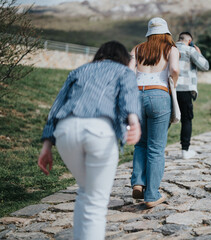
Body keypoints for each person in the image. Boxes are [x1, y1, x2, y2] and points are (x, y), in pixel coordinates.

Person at [37, 41, 141, 240]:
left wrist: (46, 146)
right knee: (96, 201)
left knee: (85, 192)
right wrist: (134, 120)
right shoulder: (123, 71)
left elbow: (56, 107)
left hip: (66, 131)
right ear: (123, 58)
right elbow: (129, 95)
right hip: (99, 131)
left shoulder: (80, 70)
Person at [128, 17, 179, 208]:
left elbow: (127, 71)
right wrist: (173, 82)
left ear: (148, 33)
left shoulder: (138, 49)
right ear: (166, 33)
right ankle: (151, 195)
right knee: (156, 147)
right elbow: (173, 69)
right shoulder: (171, 49)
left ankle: (138, 183)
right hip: (159, 95)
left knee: (140, 143)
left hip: (136, 95)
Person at [176, 32, 209, 159]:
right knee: (186, 119)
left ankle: (157, 148)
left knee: (165, 120)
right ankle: (185, 150)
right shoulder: (190, 50)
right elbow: (205, 66)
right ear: (189, 41)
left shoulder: (168, 49)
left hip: (169, 89)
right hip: (185, 89)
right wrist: (199, 53)